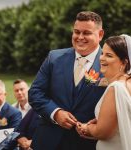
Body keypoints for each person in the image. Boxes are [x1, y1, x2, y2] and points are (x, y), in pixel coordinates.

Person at [28, 11, 106, 150]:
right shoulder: (54, 58)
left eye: (86, 33)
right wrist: (55, 113)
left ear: (100, 35)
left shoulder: (109, 63)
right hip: (48, 141)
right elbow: (35, 93)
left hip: (88, 143)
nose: (80, 37)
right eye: (76, 32)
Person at [76, 34, 131, 150]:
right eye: (102, 53)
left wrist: (86, 127)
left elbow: (103, 133)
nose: (101, 58)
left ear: (124, 63)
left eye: (109, 55)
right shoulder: (127, 83)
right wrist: (102, 120)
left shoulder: (116, 88)